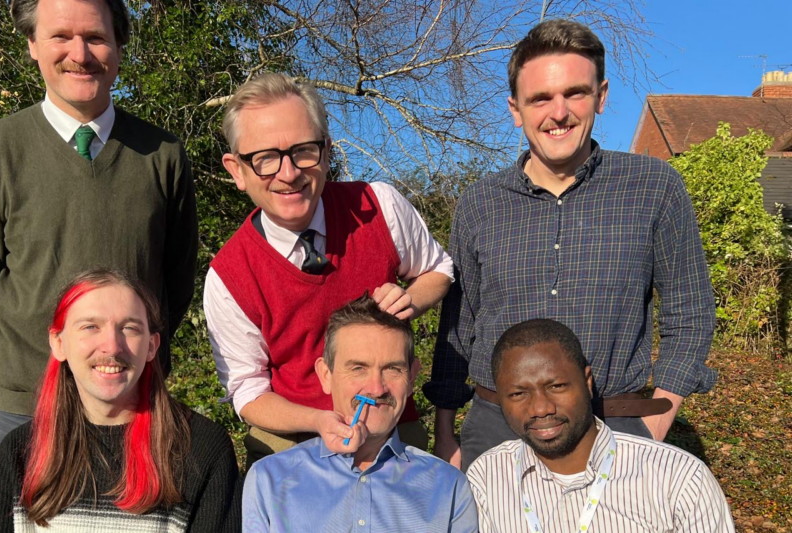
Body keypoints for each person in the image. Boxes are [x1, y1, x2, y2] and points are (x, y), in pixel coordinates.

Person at [426, 19, 716, 470]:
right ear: (515, 109)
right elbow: (458, 328)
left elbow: (691, 313)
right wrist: (446, 433)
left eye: (574, 93)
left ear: (601, 96)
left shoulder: (653, 187)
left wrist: (656, 423)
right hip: (496, 432)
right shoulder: (480, 202)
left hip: (616, 428)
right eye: (540, 98)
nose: (557, 113)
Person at [0, 0, 197, 447]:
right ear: (32, 44)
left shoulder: (163, 155)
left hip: (133, 401)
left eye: (96, 37)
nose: (79, 54)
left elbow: (176, 280)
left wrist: (133, 361)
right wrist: (9, 367)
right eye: (61, 36)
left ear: (120, 47)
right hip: (27, 407)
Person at [205, 72, 454, 464]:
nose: (289, 174)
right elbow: (248, 392)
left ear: (327, 150)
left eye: (304, 150)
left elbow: (439, 270)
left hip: (390, 427)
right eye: (265, 159)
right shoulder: (228, 276)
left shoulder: (379, 207)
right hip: (295, 440)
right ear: (237, 170)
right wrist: (319, 420)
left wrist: (408, 300)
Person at [0, 270, 241, 533]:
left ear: (151, 346)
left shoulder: (202, 450)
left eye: (130, 328)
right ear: (58, 343)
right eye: (90, 326)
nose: (111, 346)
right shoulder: (21, 452)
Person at [467, 319, 734, 532]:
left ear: (587, 382)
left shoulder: (678, 478)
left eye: (557, 386)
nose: (541, 409)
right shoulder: (487, 475)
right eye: (518, 394)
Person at [243, 295, 478, 532]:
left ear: (411, 378)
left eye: (392, 369)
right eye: (358, 368)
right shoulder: (270, 480)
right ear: (326, 375)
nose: (376, 388)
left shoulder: (448, 487)